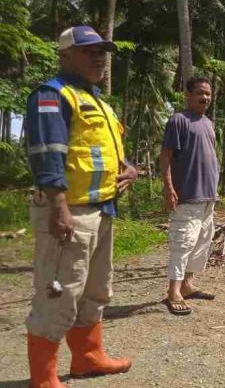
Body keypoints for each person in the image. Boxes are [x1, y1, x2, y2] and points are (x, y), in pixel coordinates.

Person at [23, 25, 137, 388]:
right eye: (89, 51)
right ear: (65, 55)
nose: (99, 57)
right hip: (68, 212)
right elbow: (47, 155)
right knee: (58, 293)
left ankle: (87, 358)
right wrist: (58, 207)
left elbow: (101, 153)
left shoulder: (98, 100)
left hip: (101, 210)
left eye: (102, 51)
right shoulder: (51, 95)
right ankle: (43, 378)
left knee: (96, 290)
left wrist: (129, 168)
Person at [160, 76, 218, 315]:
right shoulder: (178, 120)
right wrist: (168, 186)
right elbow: (166, 155)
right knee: (182, 242)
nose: (205, 98)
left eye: (208, 94)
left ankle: (187, 285)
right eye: (200, 93)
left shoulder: (209, 123)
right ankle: (173, 291)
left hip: (207, 195)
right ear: (188, 95)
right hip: (187, 194)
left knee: (200, 243)